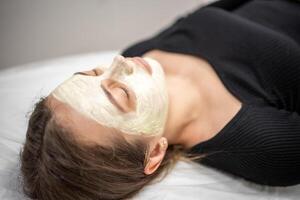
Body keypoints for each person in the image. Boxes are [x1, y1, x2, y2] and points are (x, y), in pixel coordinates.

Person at [20, 0, 300, 199]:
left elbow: (214, 11)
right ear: (154, 152)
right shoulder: (263, 146)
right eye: (120, 94)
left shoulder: (139, 53)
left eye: (93, 72)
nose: (120, 62)